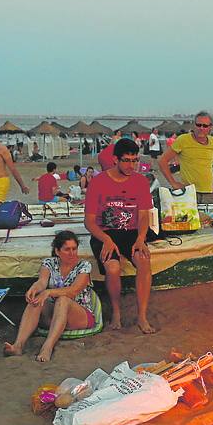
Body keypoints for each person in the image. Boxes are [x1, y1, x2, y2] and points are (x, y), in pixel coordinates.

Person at [85, 138, 154, 333]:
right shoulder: (98, 182)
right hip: (104, 232)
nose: (131, 165)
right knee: (113, 267)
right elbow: (89, 221)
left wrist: (141, 239)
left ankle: (142, 316)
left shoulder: (140, 181)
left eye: (134, 160)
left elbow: (143, 216)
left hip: (130, 232)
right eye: (126, 160)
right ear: (115, 159)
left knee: (143, 261)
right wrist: (106, 240)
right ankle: (116, 312)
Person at [4, 231, 100, 361]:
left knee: (63, 299)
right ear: (57, 251)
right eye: (67, 249)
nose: (72, 253)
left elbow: (74, 290)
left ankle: (47, 347)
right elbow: (42, 282)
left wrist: (49, 292)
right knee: (36, 300)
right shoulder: (49, 263)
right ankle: (18, 345)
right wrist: (34, 289)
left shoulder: (84, 266)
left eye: (74, 249)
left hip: (79, 315)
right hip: (55, 314)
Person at [158, 111, 213, 204]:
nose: (201, 128)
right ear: (194, 125)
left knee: (208, 218)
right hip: (188, 192)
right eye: (198, 125)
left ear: (210, 127)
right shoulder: (183, 140)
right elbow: (162, 160)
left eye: (205, 126)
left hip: (208, 193)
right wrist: (173, 183)